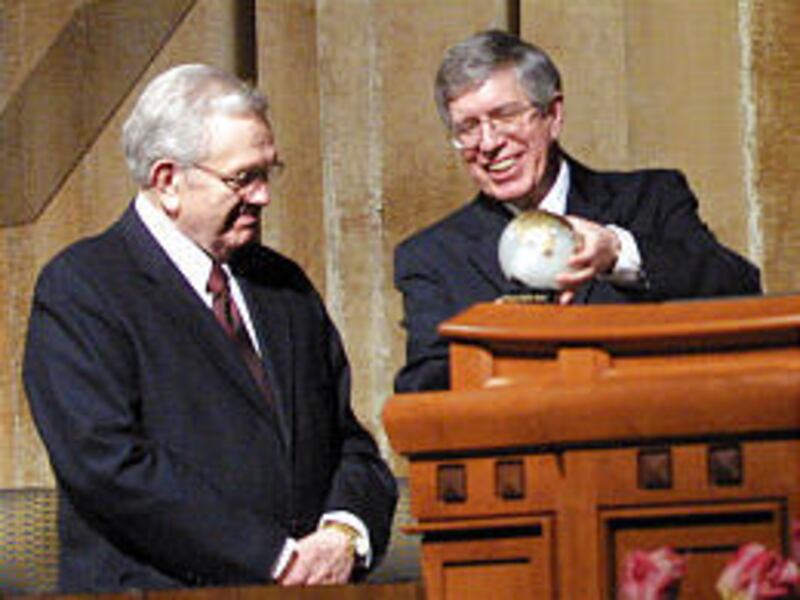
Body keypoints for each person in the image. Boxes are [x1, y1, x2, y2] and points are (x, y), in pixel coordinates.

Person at [23, 64, 397, 593]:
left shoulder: (282, 286)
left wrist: (344, 533)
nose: (264, 195)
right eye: (244, 178)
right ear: (168, 181)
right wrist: (274, 559)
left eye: (269, 171)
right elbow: (106, 465)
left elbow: (349, 444)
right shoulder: (84, 289)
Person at [394, 30, 761, 393]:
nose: (488, 144)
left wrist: (618, 252)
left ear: (553, 116)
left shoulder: (650, 199)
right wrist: (498, 336)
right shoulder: (432, 256)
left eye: (505, 116)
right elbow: (422, 389)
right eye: (468, 128)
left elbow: (738, 290)